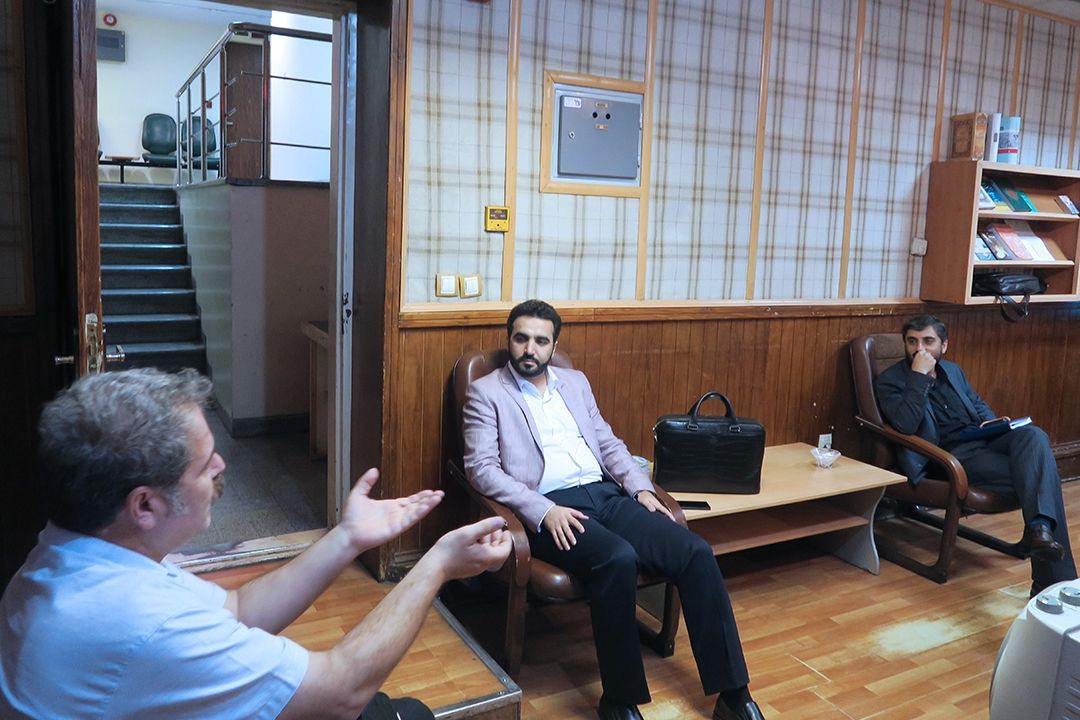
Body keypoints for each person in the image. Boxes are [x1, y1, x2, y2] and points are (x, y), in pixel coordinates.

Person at [0, 368, 511, 719]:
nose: (222, 465)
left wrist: (347, 537)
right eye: (205, 464)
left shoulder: (67, 554)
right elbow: (340, 691)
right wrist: (436, 564)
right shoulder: (141, 619)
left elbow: (240, 608)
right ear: (145, 506)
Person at [461, 300, 763, 720]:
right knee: (616, 558)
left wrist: (641, 489)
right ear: (509, 340)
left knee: (694, 551)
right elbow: (481, 469)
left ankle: (734, 695)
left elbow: (607, 443)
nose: (530, 349)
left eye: (541, 341)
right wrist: (543, 510)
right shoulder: (487, 391)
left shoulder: (575, 382)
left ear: (554, 346)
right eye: (521, 338)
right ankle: (619, 701)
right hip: (550, 509)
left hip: (606, 495)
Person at [875, 314, 1077, 595]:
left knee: (1034, 436)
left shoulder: (953, 371)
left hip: (983, 439)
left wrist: (993, 423)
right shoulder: (891, 381)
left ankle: (1040, 528)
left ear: (944, 345)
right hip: (950, 455)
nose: (920, 349)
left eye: (928, 341)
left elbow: (977, 403)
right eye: (912, 341)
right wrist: (918, 377)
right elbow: (905, 424)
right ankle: (1051, 575)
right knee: (1041, 475)